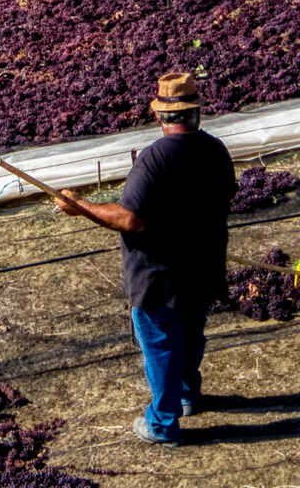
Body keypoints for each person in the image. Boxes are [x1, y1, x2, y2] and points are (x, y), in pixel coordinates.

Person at [55, 72, 234, 446]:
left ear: (159, 117)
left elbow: (130, 219)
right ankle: (187, 396)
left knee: (161, 347)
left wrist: (80, 207)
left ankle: (162, 425)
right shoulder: (216, 150)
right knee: (190, 337)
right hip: (202, 267)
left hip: (159, 277)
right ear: (197, 114)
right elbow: (222, 197)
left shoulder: (154, 160)